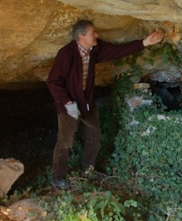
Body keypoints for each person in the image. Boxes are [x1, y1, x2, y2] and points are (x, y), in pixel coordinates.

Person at [47, 19, 163, 188]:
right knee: (65, 141)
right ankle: (58, 178)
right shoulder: (66, 54)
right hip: (69, 105)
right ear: (81, 37)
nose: (97, 35)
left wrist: (145, 42)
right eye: (92, 33)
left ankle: (87, 170)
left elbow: (118, 51)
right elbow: (53, 81)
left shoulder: (94, 49)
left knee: (94, 135)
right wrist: (67, 102)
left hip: (87, 103)